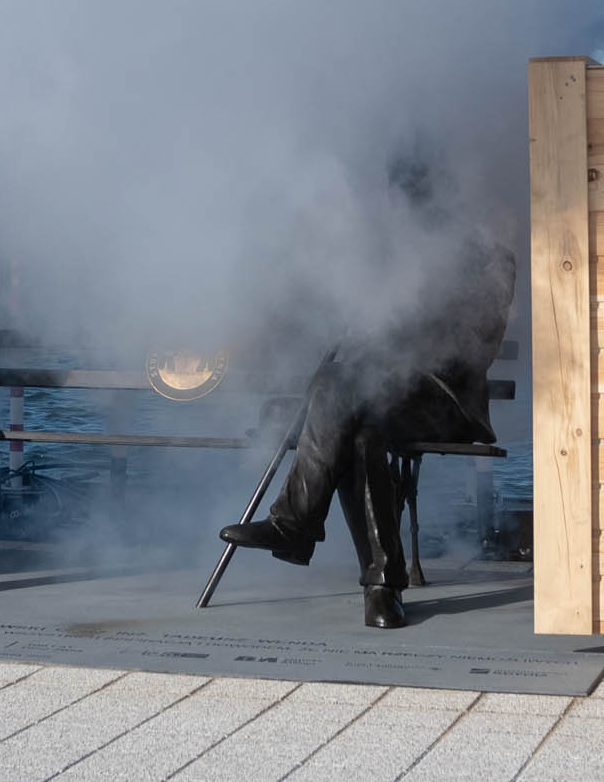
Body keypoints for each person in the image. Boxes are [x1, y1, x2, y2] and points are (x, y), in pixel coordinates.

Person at [219, 159, 517, 627]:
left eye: (419, 198)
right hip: (372, 396)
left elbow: (476, 344)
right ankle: (382, 587)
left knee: (341, 387)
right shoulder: (383, 255)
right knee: (359, 428)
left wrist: (409, 309)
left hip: (441, 402)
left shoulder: (487, 259)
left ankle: (296, 523)